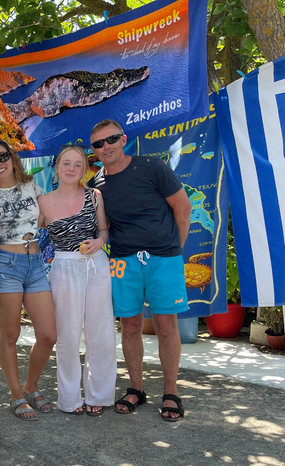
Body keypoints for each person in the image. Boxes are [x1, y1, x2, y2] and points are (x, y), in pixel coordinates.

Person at [87, 119, 192, 422]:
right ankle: (136, 389)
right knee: (130, 327)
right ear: (93, 150)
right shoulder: (96, 186)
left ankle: (171, 392)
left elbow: (183, 209)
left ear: (124, 139)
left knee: (166, 327)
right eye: (98, 144)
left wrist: (173, 251)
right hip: (123, 261)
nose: (106, 147)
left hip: (163, 259)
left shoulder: (152, 168)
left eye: (111, 139)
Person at [0, 138, 57, 421]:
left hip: (35, 263)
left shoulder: (32, 185)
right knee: (10, 335)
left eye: (2, 156)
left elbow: (45, 219)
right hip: (6, 265)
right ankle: (16, 394)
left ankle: (31, 385)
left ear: (12, 157)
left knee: (48, 335)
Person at [37, 146, 116, 416]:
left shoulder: (95, 196)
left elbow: (104, 229)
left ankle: (100, 395)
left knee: (101, 333)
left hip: (96, 265)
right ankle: (70, 399)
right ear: (57, 167)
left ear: (84, 169)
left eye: (78, 164)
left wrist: (99, 242)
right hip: (63, 267)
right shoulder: (42, 202)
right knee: (68, 336)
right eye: (66, 163)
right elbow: (33, 241)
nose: (71, 168)